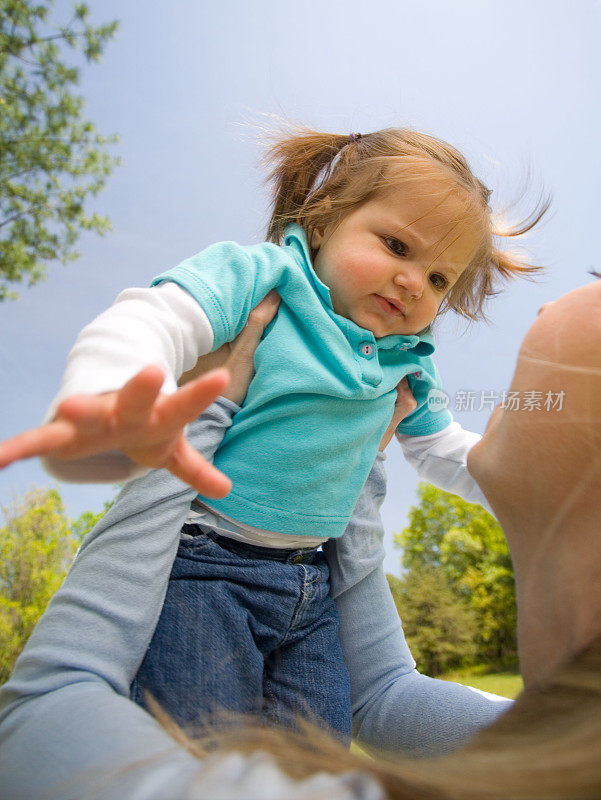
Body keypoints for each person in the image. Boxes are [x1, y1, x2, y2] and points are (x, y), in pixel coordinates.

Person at [0, 126, 546, 734]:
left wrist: (531, 484)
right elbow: (157, 316)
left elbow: (440, 450)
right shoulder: (266, 277)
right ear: (323, 221)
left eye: (440, 279)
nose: (414, 283)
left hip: (313, 586)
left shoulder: (408, 360)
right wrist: (111, 390)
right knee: (206, 748)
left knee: (317, 755)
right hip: (205, 568)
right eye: (396, 245)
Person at [1, 277, 600, 799]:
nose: (545, 307)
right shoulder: (558, 750)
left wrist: (205, 415)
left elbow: (43, 713)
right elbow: (384, 696)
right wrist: (357, 453)